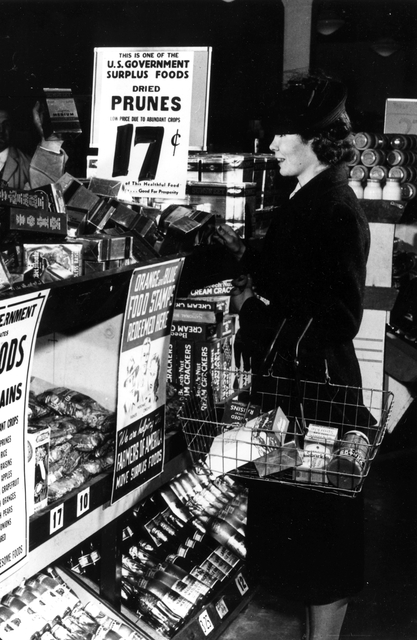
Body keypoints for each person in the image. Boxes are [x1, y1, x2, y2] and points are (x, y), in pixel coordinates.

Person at [214, 72, 370, 640]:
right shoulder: (308, 196)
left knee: (325, 536)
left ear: (315, 140)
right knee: (308, 534)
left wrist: (256, 309)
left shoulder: (335, 204)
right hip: (300, 393)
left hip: (320, 397)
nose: (272, 145)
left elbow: (339, 316)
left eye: (282, 135)